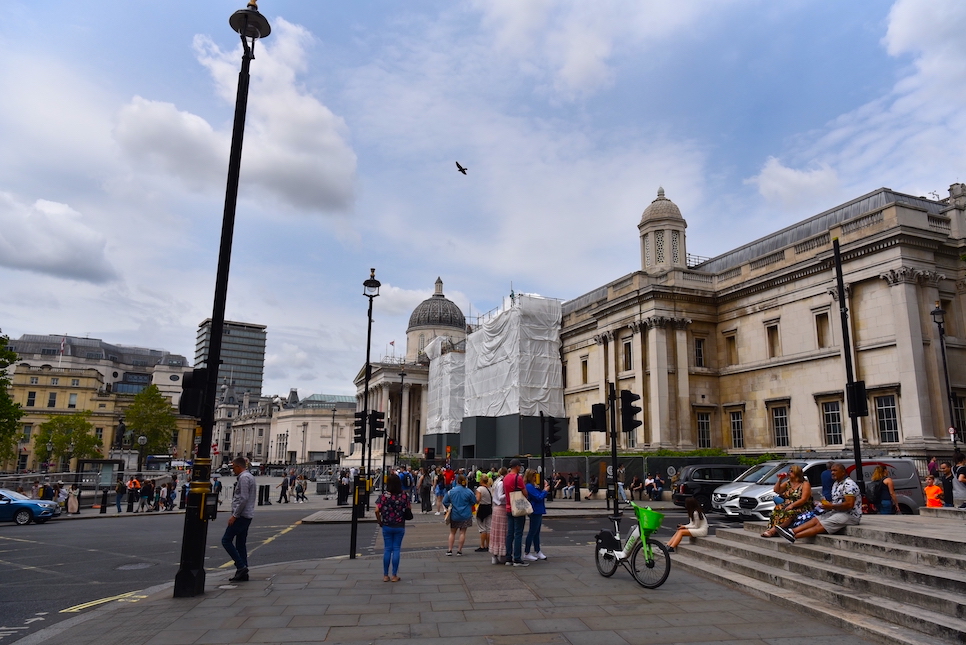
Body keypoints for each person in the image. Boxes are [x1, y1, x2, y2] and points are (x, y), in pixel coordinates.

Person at [777, 462, 860, 543]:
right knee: (816, 519)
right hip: (836, 511)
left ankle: (795, 536)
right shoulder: (836, 484)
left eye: (835, 471)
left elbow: (849, 504)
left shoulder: (849, 484)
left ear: (843, 472)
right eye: (831, 471)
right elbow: (837, 501)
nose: (832, 473)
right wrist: (825, 504)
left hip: (850, 515)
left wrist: (831, 506)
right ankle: (792, 531)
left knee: (822, 523)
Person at [222, 457, 256, 582]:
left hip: (242, 515)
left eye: (233, 467)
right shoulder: (249, 477)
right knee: (240, 544)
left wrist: (235, 515)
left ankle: (241, 567)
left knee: (226, 540)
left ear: (238, 466)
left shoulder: (244, 478)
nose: (232, 469)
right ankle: (243, 573)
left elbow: (243, 498)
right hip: (247, 515)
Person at [375, 473, 410, 582]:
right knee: (396, 549)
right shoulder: (404, 496)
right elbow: (409, 509)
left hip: (387, 525)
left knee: (387, 549)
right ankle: (394, 575)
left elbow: (376, 510)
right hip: (399, 525)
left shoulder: (383, 496)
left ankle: (385, 575)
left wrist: (380, 521)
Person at [761, 466, 813, 537]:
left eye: (791, 471)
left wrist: (792, 505)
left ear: (796, 473)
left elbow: (804, 499)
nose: (789, 473)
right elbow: (777, 490)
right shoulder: (788, 483)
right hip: (788, 505)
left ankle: (773, 531)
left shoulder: (804, 484)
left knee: (789, 512)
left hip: (801, 506)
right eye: (789, 471)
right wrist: (779, 480)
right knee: (777, 509)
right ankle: (772, 529)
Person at [503, 459, 529, 567]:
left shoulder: (505, 478)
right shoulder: (517, 478)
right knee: (518, 533)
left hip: (508, 507)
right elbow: (525, 493)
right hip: (517, 507)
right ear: (517, 466)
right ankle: (517, 558)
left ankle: (508, 558)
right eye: (519, 466)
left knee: (510, 533)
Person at [443, 475, 477, 556]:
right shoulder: (469, 491)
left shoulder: (451, 491)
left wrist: (449, 506)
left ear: (457, 481)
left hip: (455, 514)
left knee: (452, 532)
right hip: (466, 514)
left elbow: (445, 501)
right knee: (462, 533)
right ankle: (459, 550)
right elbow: (473, 501)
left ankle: (450, 550)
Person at [524, 469, 550, 561]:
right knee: (532, 532)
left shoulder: (533, 486)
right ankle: (527, 552)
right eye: (535, 476)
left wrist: (543, 487)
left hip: (538, 510)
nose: (536, 478)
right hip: (535, 510)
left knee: (536, 532)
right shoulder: (529, 486)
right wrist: (545, 491)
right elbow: (538, 497)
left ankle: (537, 551)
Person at [489, 468, 509, 565]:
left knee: (496, 533)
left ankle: (495, 555)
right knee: (502, 532)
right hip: (501, 508)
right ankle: (501, 554)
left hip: (497, 508)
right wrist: (508, 494)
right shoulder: (501, 483)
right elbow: (500, 497)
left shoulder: (497, 482)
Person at [475, 474, 493, 552]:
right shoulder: (490, 489)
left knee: (482, 528)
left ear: (481, 480)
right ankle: (488, 545)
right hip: (489, 508)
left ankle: (482, 546)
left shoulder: (480, 489)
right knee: (489, 528)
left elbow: (478, 500)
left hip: (482, 508)